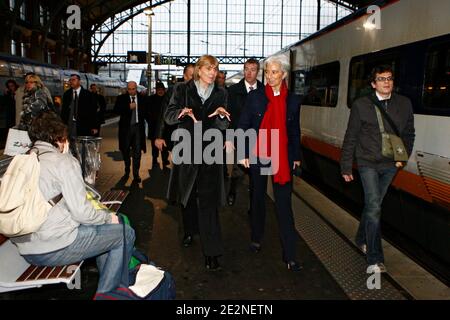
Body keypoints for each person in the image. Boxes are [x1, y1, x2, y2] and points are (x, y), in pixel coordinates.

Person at [10, 111, 135, 295]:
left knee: (107, 236)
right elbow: (82, 213)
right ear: (59, 136)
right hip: (52, 247)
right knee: (124, 233)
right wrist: (108, 218)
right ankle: (109, 294)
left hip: (26, 247)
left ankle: (110, 285)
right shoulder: (62, 161)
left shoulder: (22, 159)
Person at [340, 65, 415, 273]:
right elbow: (351, 136)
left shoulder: (404, 104)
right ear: (373, 84)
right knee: (374, 207)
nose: (386, 82)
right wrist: (346, 165)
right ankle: (374, 258)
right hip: (367, 163)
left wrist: (404, 156)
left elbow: (409, 133)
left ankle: (361, 237)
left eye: (389, 78)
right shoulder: (361, 105)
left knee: (374, 205)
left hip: (391, 165)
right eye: (381, 79)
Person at [165, 55, 230, 270]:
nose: (214, 73)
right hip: (187, 151)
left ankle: (212, 252)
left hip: (209, 154)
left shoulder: (221, 93)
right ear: (199, 70)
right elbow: (169, 115)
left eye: (216, 69)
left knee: (208, 203)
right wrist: (181, 113)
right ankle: (189, 231)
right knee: (188, 196)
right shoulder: (182, 90)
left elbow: (223, 125)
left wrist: (220, 118)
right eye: (210, 69)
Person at [238, 54, 302, 272]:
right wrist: (244, 152)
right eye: (267, 72)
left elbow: (294, 131)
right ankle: (256, 236)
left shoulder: (293, 100)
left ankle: (290, 254)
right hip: (260, 152)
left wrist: (296, 157)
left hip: (282, 156)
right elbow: (244, 125)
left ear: (283, 74)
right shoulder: (255, 97)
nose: (270, 76)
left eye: (274, 72)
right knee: (258, 198)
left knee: (284, 205)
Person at [226, 58, 262, 206]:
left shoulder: (264, 91)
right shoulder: (233, 91)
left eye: (252, 70)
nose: (249, 72)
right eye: (246, 69)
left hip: (257, 139)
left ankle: (254, 204)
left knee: (256, 174)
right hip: (239, 136)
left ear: (258, 72)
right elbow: (229, 117)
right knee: (237, 170)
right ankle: (232, 192)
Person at [154, 63, 195, 163]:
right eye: (192, 76)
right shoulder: (174, 91)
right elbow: (164, 113)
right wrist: (159, 136)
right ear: (185, 76)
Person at [114, 81, 147, 182]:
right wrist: (128, 107)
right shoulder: (121, 98)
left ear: (136, 88)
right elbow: (116, 110)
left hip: (138, 128)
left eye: (133, 89)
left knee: (137, 152)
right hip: (126, 129)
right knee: (125, 150)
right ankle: (127, 170)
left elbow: (146, 112)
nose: (131, 91)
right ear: (127, 89)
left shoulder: (142, 99)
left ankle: (136, 174)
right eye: (129, 89)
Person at [61, 74, 98, 151]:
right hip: (69, 125)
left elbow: (93, 111)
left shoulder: (88, 95)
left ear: (79, 81)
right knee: (70, 146)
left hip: (83, 125)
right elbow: (63, 111)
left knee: (82, 148)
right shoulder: (66, 94)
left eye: (73, 80)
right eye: (70, 80)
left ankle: (82, 161)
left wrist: (94, 126)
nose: (71, 82)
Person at [145, 81, 168, 169]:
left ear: (164, 90)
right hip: (154, 126)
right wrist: (150, 120)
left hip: (165, 126)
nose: (160, 91)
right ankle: (154, 158)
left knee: (164, 145)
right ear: (156, 90)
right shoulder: (151, 99)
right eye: (159, 90)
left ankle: (164, 160)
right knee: (154, 145)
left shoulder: (167, 98)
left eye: (162, 89)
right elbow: (146, 112)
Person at [0, 80, 18, 145]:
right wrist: (5, 95)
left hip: (18, 115)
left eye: (12, 86)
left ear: (15, 86)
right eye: (9, 86)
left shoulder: (19, 93)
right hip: (10, 116)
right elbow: (3, 104)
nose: (11, 88)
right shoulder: (8, 94)